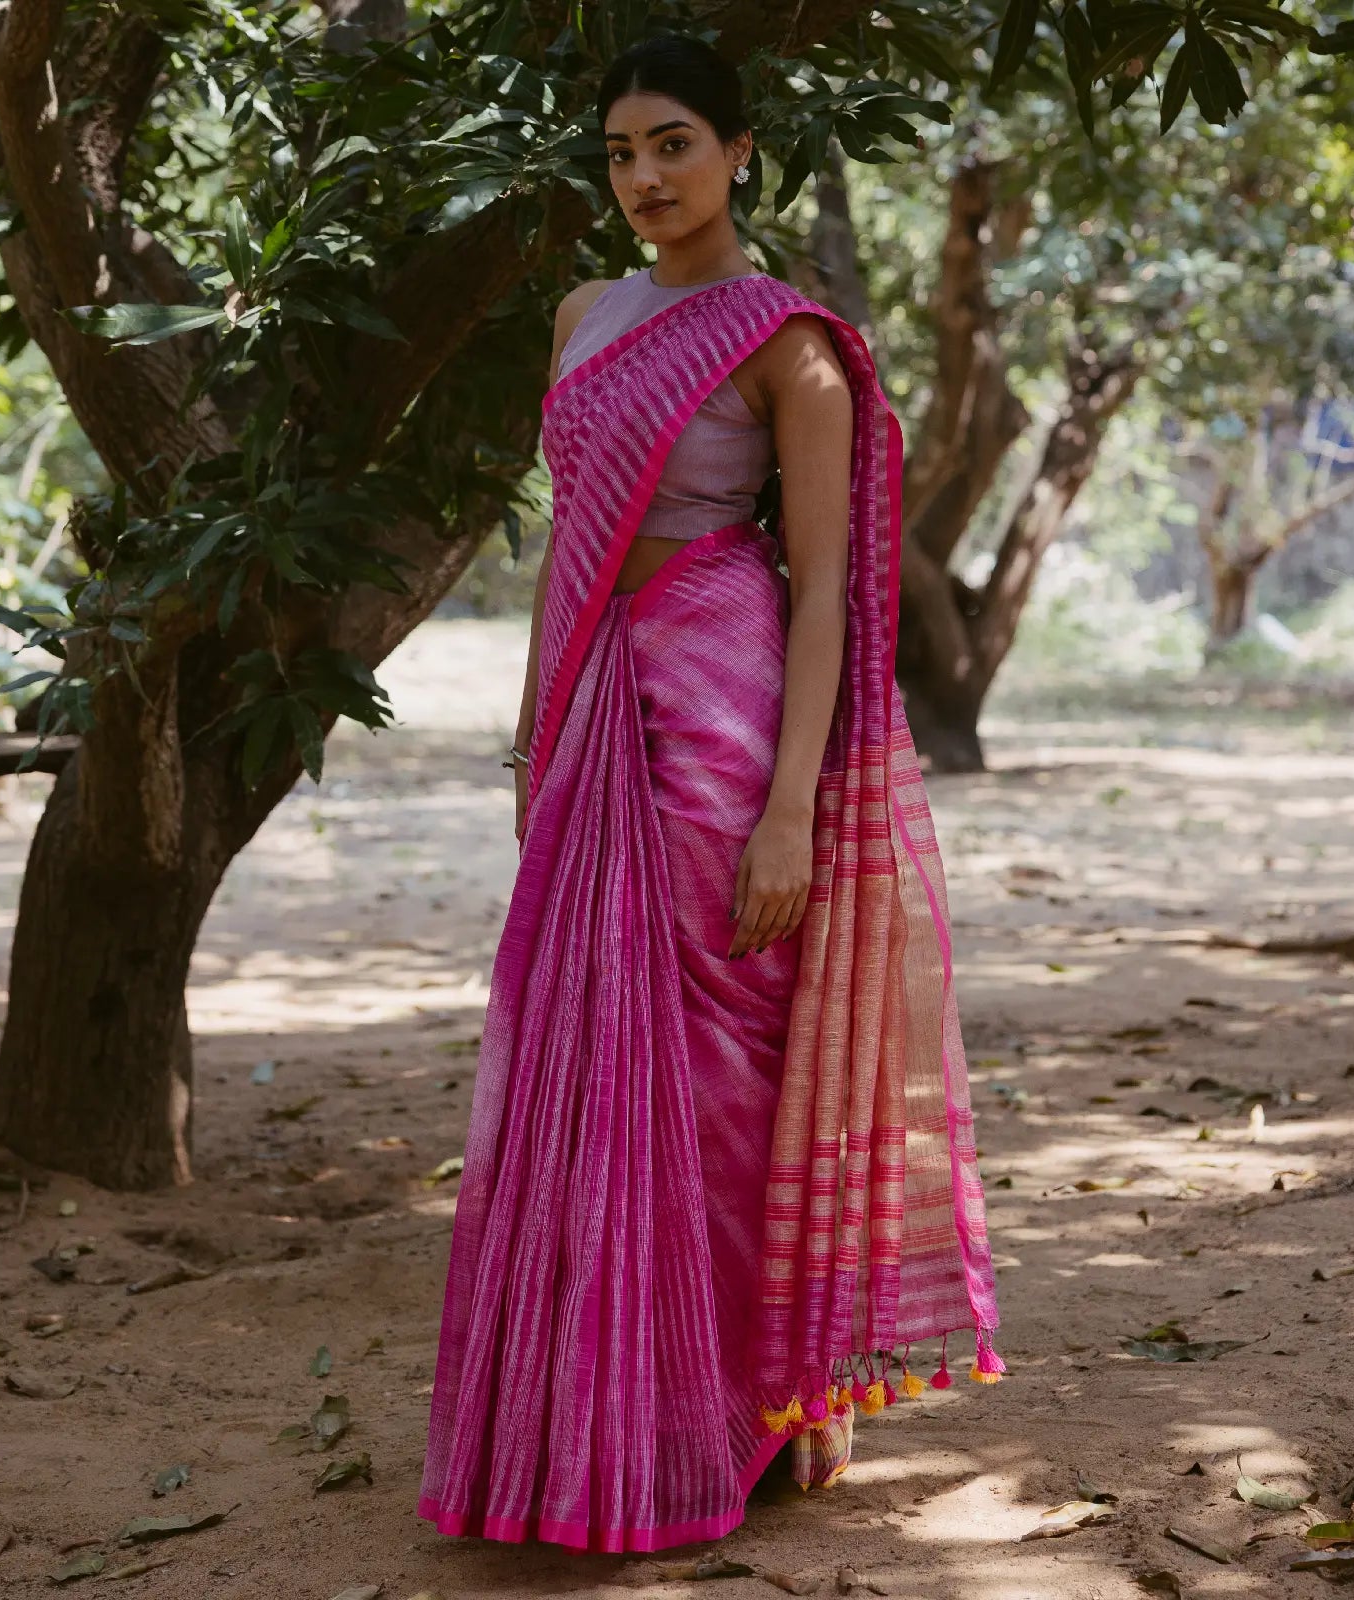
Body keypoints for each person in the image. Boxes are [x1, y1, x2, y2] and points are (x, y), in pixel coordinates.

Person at [418, 32, 1002, 1555]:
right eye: (621, 152)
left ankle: (744, 1401)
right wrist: (537, 728)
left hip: (723, 695)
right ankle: (596, 1412)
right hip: (594, 700)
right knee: (586, 1047)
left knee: (723, 1050)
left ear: (741, 152)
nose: (645, 176)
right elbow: (569, 545)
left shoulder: (786, 344)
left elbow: (826, 593)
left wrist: (792, 806)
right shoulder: (581, 315)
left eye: (673, 143)